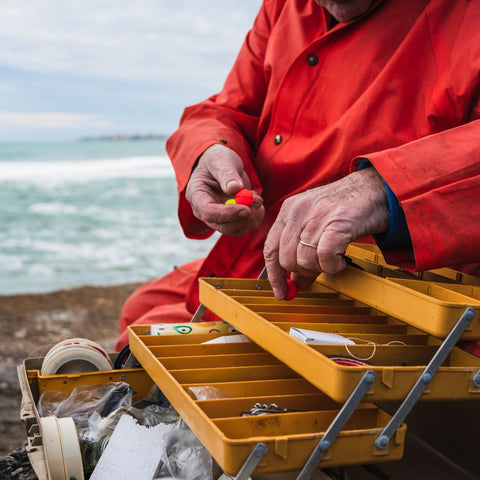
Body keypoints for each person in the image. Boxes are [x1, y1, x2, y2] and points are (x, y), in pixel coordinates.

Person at [115, 0, 480, 353]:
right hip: (266, 255)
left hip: (384, 286)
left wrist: (384, 190)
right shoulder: (281, 7)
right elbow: (232, 107)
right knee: (140, 311)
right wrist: (208, 150)